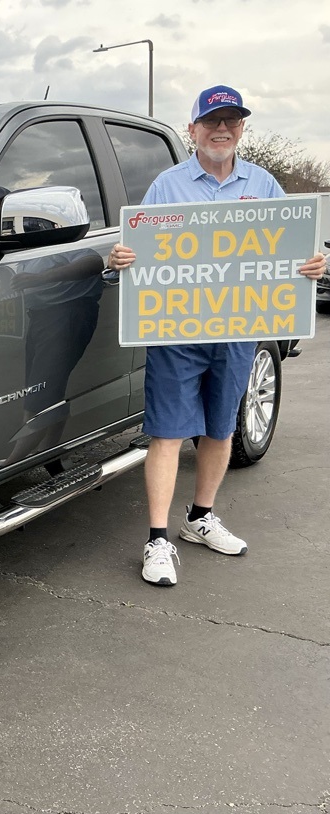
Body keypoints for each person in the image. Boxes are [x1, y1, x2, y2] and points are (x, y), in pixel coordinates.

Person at [107, 84, 326, 587]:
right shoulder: (167, 186)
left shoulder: (264, 184)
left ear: (242, 128)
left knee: (221, 429)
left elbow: (291, 249)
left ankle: (200, 517)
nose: (221, 129)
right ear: (193, 130)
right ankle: (157, 539)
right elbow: (137, 251)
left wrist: (311, 265)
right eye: (211, 121)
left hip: (238, 331)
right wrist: (121, 258)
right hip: (176, 332)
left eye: (231, 120)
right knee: (166, 432)